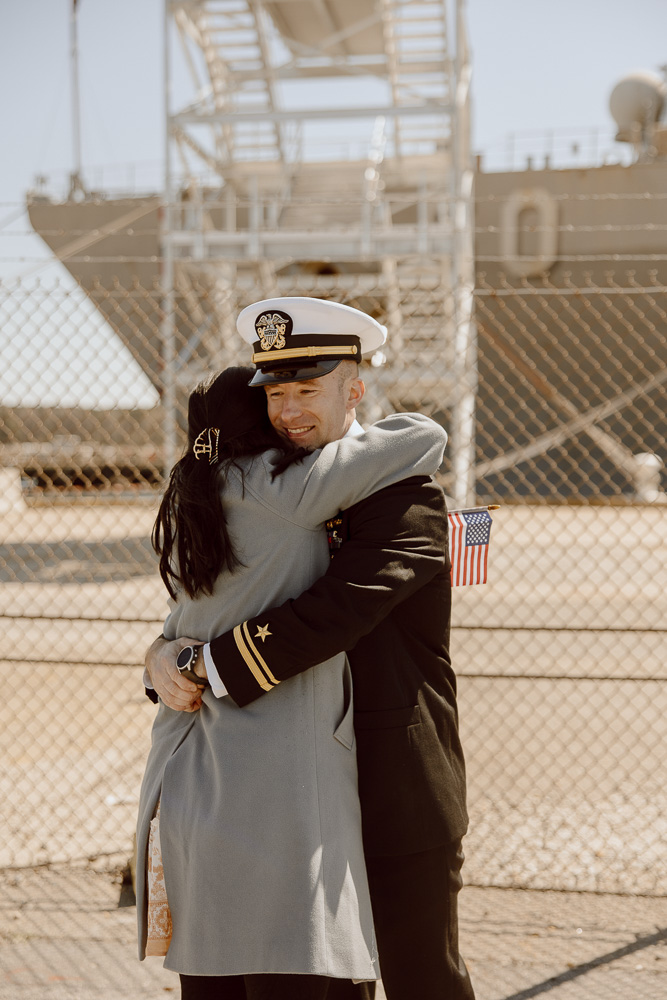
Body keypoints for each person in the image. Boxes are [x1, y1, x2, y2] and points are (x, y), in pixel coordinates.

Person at [146, 297, 476, 1000]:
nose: (288, 411)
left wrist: (205, 665)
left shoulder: (402, 495)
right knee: (328, 982)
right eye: (276, 393)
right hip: (290, 793)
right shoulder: (262, 490)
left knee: (423, 980)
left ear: (352, 389)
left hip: (391, 781)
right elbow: (211, 598)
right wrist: (162, 654)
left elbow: (335, 611)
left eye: (307, 390)